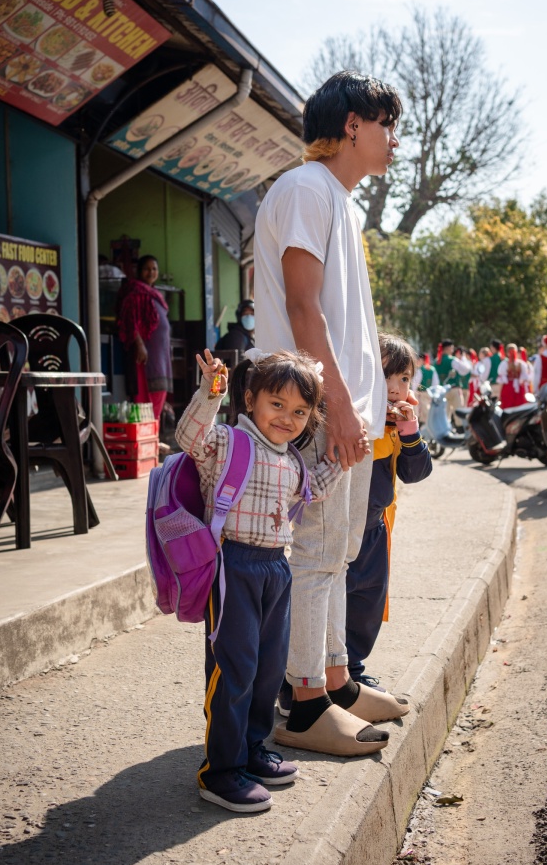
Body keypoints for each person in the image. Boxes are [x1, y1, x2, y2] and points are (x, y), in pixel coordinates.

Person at [254, 69, 407, 758]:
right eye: (386, 125)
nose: (393, 141)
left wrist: (379, 402)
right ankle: (305, 702)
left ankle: (338, 683)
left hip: (351, 413)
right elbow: (301, 307)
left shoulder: (338, 200)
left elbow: (342, 320)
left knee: (339, 554)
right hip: (318, 412)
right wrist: (339, 408)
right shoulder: (304, 189)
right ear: (353, 123)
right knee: (316, 555)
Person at [176, 348, 347, 812]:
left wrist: (345, 459)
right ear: (250, 399)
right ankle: (221, 772)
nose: (287, 418)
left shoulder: (290, 460)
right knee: (235, 670)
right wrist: (212, 389)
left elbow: (311, 490)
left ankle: (252, 750)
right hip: (234, 565)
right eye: (277, 404)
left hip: (276, 569)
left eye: (299, 411)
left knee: (269, 669)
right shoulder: (230, 441)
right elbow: (189, 437)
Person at [345, 334, 432, 687]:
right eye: (386, 377)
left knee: (368, 601)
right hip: (344, 528)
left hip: (376, 528)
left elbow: (416, 473)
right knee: (333, 602)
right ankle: (306, 678)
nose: (395, 389)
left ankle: (352, 670)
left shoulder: (399, 425)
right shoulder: (355, 420)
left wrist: (410, 431)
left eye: (404, 379)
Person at [116, 254, 172, 423]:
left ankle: (153, 436)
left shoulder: (155, 294)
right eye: (147, 268)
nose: (151, 272)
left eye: (154, 269)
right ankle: (146, 435)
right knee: (145, 395)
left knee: (160, 393)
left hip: (160, 355)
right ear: (140, 271)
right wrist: (139, 344)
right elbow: (130, 320)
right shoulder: (135, 292)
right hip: (145, 354)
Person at [497, 343, 528, 409]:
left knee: (508, 407)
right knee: (519, 407)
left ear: (507, 353)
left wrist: (499, 394)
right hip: (519, 388)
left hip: (508, 388)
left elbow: (502, 381)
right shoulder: (521, 364)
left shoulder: (504, 364)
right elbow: (525, 379)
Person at [412, 352, 438, 425]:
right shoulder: (432, 369)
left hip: (419, 393)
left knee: (417, 410)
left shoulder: (419, 370)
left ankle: (420, 426)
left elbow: (416, 383)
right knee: (427, 410)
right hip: (428, 393)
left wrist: (413, 392)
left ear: (421, 360)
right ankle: (427, 425)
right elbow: (436, 383)